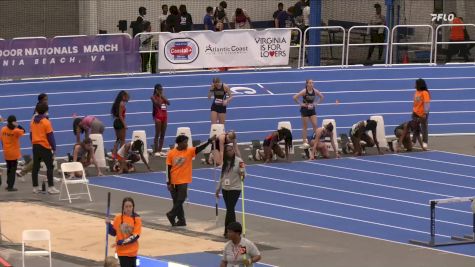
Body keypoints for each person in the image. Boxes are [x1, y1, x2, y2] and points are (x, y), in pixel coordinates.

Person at [166, 135, 216, 226]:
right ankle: (181, 220)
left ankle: (171, 214)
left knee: (181, 198)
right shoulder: (171, 153)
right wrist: (168, 183)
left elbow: (200, 147)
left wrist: (209, 141)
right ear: (179, 143)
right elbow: (168, 169)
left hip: (184, 180)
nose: (186, 144)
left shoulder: (189, 151)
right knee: (176, 201)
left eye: (187, 142)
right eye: (185, 142)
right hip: (173, 180)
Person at [16, 93, 48, 179]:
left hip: (39, 138)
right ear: (40, 100)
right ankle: (24, 169)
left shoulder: (42, 109)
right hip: (40, 139)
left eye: (47, 99)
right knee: (43, 158)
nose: (47, 101)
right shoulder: (38, 113)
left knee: (41, 158)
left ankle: (25, 165)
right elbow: (34, 127)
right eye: (45, 100)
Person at [216, 145, 246, 237]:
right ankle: (229, 231)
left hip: (235, 188)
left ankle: (231, 231)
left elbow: (244, 175)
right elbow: (222, 177)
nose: (231, 151)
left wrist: (242, 173)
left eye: (231, 150)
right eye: (228, 150)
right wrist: (218, 189)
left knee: (230, 209)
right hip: (225, 189)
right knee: (229, 210)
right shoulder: (224, 162)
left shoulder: (240, 161)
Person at [30, 103, 59, 194]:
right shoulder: (46, 122)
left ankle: (35, 187)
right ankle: (51, 187)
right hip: (44, 146)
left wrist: (34, 142)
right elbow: (50, 136)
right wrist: (54, 148)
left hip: (35, 146)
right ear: (46, 111)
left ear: (37, 111)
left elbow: (31, 135)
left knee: (35, 167)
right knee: (49, 166)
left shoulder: (33, 121)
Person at [106, 197, 142, 267]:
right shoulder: (118, 218)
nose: (128, 209)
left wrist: (121, 242)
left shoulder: (137, 219)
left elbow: (135, 236)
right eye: (126, 206)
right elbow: (113, 232)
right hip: (122, 252)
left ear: (133, 207)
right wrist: (108, 225)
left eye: (130, 206)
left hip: (133, 252)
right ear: (123, 207)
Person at [293, 79, 324, 149]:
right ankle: (304, 142)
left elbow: (322, 96)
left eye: (312, 82)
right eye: (310, 83)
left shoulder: (315, 91)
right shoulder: (304, 91)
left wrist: (316, 103)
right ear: (307, 84)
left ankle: (316, 140)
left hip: (312, 109)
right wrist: (301, 104)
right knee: (305, 127)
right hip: (305, 110)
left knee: (315, 125)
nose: (312, 84)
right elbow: (294, 97)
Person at [1, 115, 25, 191]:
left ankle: (8, 184)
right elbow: (24, 131)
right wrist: (18, 125)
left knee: (8, 169)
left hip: (6, 152)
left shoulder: (3, 129)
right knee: (13, 170)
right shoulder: (16, 131)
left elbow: (1, 140)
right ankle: (10, 186)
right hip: (14, 154)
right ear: (14, 122)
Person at [151, 84, 170, 156]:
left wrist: (162, 96)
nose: (162, 91)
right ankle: (156, 151)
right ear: (156, 90)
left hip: (165, 116)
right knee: (157, 134)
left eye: (162, 90)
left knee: (163, 134)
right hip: (158, 117)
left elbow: (168, 103)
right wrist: (160, 96)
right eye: (160, 90)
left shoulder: (163, 97)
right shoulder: (153, 97)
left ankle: (160, 150)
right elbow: (158, 105)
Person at [411, 78, 430, 148]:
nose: (414, 85)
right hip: (415, 112)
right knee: (415, 127)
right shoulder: (416, 91)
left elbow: (427, 103)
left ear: (419, 85)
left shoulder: (425, 93)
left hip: (422, 114)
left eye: (415, 84)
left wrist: (425, 113)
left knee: (424, 128)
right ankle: (413, 141)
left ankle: (425, 142)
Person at [111, 91, 129, 158]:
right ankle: (121, 155)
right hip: (120, 123)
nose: (128, 98)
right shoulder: (122, 104)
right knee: (123, 140)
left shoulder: (117, 103)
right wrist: (124, 124)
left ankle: (114, 154)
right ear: (123, 96)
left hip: (116, 122)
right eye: (127, 96)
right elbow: (120, 115)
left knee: (118, 139)